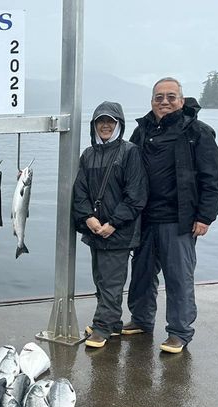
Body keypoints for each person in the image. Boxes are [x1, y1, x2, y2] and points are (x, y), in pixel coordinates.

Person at [123, 77, 218, 353]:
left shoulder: (198, 132)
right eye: (159, 97)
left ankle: (179, 332)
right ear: (152, 101)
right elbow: (126, 170)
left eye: (170, 97)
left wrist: (205, 217)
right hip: (144, 218)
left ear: (181, 100)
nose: (164, 102)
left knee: (179, 278)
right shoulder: (141, 131)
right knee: (141, 275)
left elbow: (212, 179)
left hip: (179, 220)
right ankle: (141, 320)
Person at [73, 101, 147, 348]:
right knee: (101, 280)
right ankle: (112, 323)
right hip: (95, 231)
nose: (105, 125)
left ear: (119, 124)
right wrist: (89, 219)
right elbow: (80, 191)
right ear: (94, 125)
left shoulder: (130, 152)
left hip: (119, 233)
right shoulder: (88, 154)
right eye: (100, 121)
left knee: (112, 282)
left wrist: (113, 223)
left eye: (110, 121)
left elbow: (136, 195)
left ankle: (102, 328)